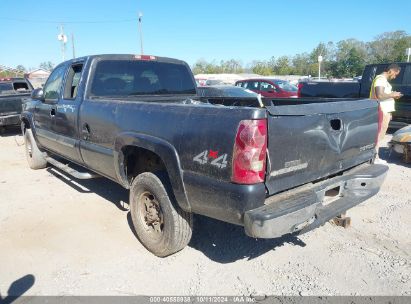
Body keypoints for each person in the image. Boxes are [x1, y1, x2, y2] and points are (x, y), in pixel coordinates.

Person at [369, 64, 403, 160]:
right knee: (378, 135)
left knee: (381, 135)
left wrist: (390, 112)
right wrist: (393, 94)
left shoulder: (384, 81)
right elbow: (380, 95)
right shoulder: (380, 79)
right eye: (395, 74)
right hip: (381, 111)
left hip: (385, 111)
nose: (395, 76)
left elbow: (384, 95)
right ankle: (374, 158)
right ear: (391, 70)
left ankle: (374, 157)